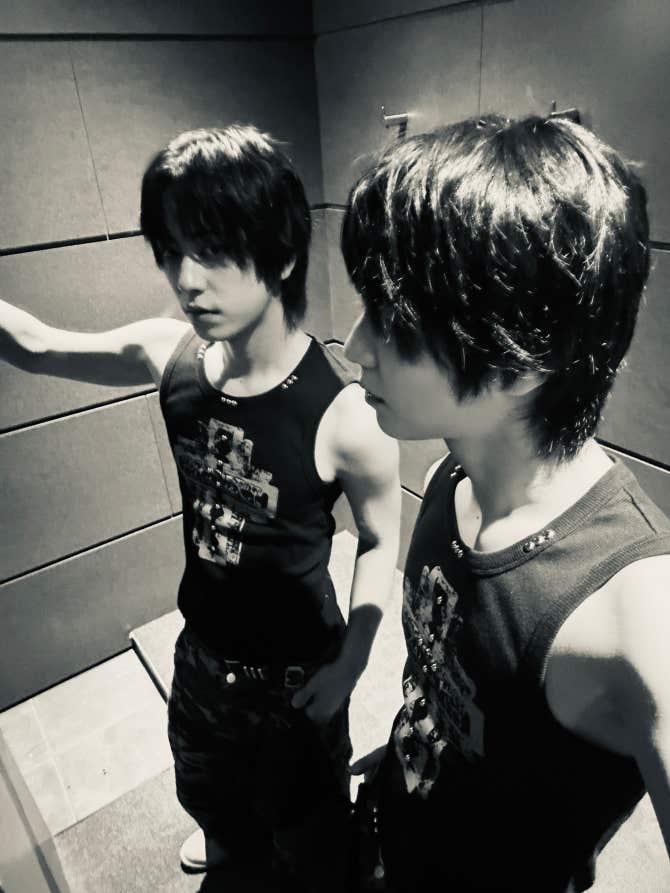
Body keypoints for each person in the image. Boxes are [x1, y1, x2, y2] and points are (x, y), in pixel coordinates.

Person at [0, 125, 400, 892]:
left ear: (281, 255)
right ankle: (229, 838)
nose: (187, 280)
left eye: (212, 251)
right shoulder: (170, 355)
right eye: (172, 251)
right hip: (204, 656)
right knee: (214, 799)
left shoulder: (347, 416)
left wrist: (353, 661)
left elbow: (381, 540)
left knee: (312, 841)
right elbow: (38, 345)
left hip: (296, 675)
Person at [341, 114, 670, 892]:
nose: (354, 346)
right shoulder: (452, 472)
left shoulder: (632, 607)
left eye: (390, 321)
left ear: (522, 354)